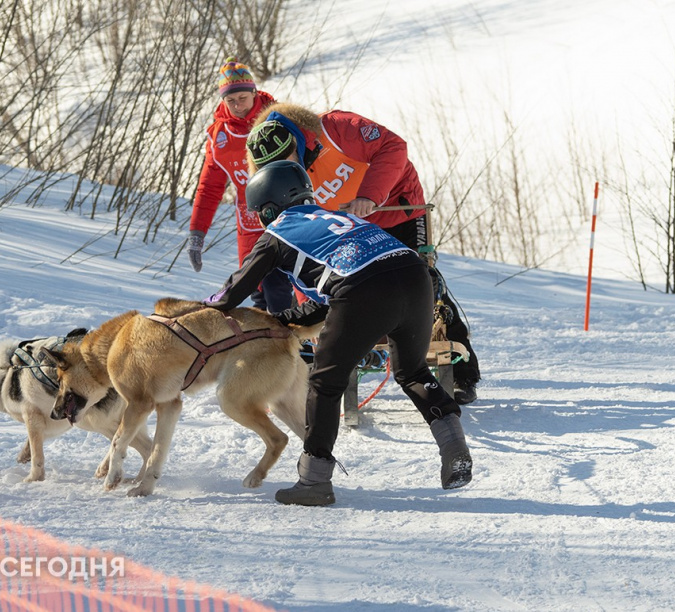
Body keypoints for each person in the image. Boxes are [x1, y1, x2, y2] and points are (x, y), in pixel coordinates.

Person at [203, 160, 473, 506]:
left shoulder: (276, 234)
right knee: (414, 371)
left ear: (270, 209)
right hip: (414, 275)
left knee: (325, 383)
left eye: (259, 212)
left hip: (362, 288)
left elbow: (230, 294)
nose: (259, 220)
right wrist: (285, 319)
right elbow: (332, 296)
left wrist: (200, 310)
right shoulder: (339, 217)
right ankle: (455, 449)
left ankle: (314, 481)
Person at [244, 102, 481, 403]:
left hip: (396, 207)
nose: (285, 168)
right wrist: (313, 304)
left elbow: (394, 148)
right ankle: (353, 361)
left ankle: (464, 373)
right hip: (350, 230)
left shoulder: (335, 128)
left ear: (296, 140)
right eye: (272, 167)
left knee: (425, 283)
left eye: (287, 158)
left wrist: (369, 196)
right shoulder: (272, 186)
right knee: (350, 290)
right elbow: (297, 251)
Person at [187, 57, 292, 313]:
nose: (237, 106)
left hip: (287, 215)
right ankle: (268, 349)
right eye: (230, 101)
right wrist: (197, 234)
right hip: (249, 221)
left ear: (255, 93)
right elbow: (209, 188)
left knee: (281, 287)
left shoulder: (280, 120)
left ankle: (298, 345)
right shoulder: (219, 136)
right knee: (258, 292)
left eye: (242, 98)